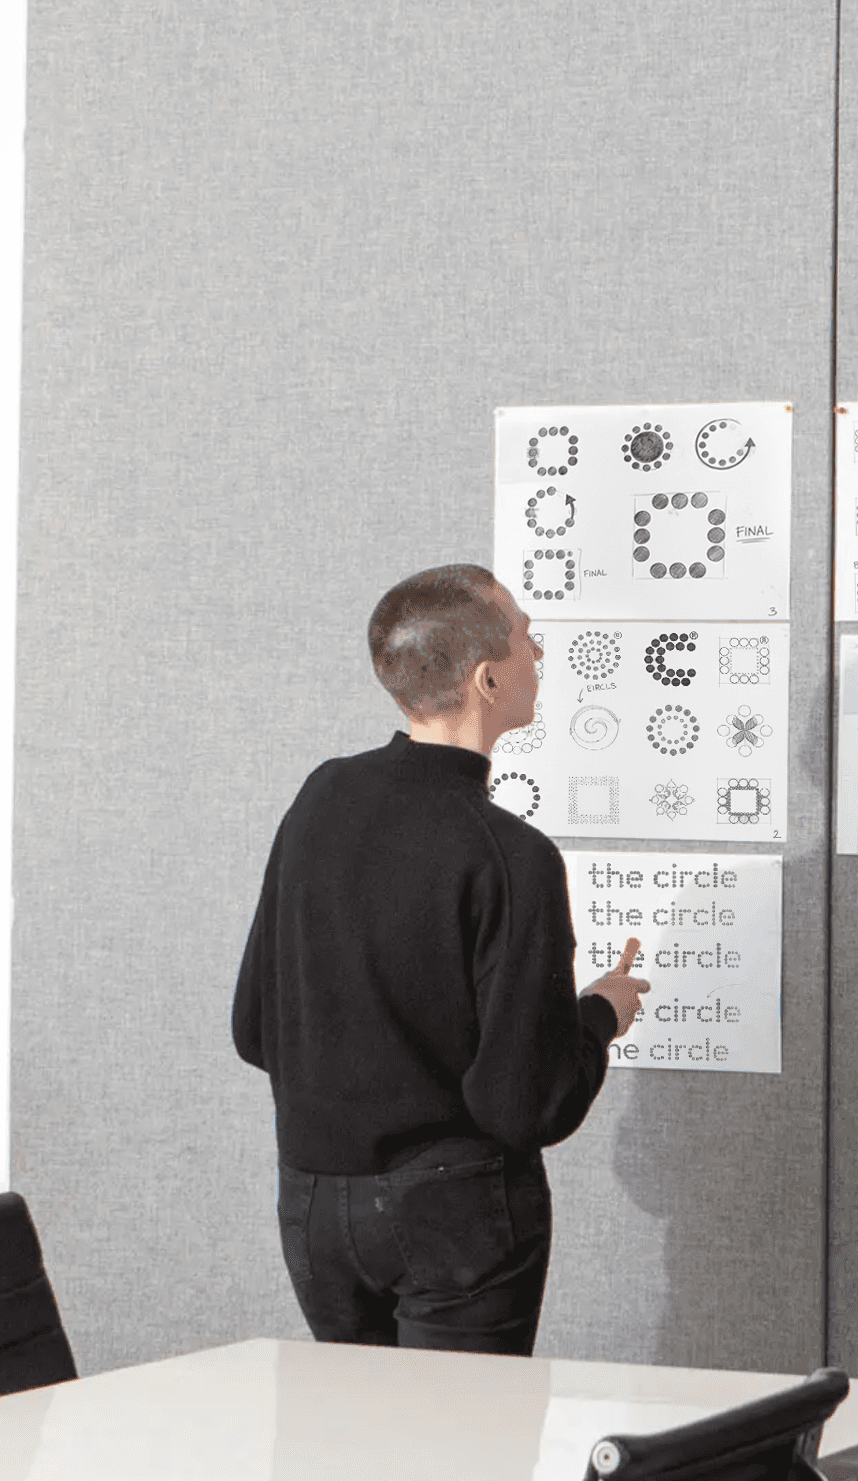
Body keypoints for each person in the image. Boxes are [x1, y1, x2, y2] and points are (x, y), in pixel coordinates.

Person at [230, 563, 649, 1355]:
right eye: (526, 636)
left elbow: (255, 1028)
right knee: (467, 1433)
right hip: (454, 1216)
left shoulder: (321, 798)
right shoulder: (511, 855)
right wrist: (600, 1015)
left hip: (312, 1207)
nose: (539, 652)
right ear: (489, 679)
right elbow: (528, 1105)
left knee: (357, 1431)